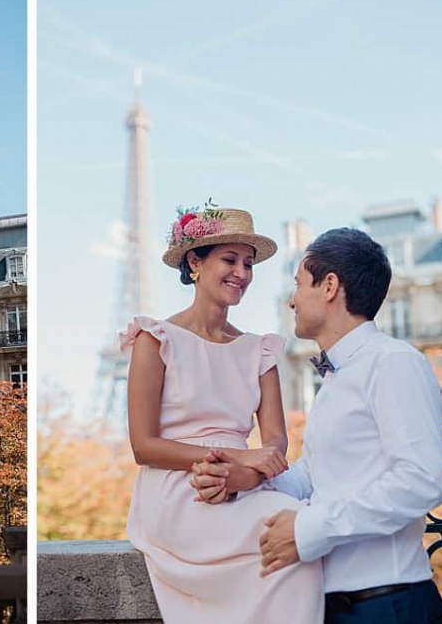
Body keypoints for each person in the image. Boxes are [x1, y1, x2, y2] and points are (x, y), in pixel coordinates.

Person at [193, 228, 442, 623]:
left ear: (329, 286)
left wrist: (308, 529)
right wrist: (245, 477)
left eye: (298, 285)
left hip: (389, 606)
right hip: (333, 606)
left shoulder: (394, 362)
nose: (293, 299)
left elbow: (420, 481)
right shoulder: (335, 379)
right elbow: (315, 478)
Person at [120, 205, 324, 624]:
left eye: (248, 264)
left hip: (245, 484)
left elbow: (275, 441)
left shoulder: (260, 349)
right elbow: (143, 446)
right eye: (229, 260)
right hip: (181, 493)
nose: (242, 273)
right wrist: (234, 461)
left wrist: (244, 474)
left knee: (301, 532)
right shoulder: (155, 339)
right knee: (296, 529)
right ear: (195, 262)